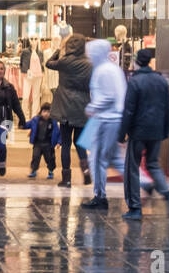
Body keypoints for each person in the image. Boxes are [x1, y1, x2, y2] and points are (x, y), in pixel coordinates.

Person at [118, 48, 169, 220]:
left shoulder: (135, 81)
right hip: (156, 130)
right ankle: (168, 195)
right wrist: (165, 130)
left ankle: (135, 207)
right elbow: (167, 107)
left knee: (132, 168)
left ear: (137, 62)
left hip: (138, 131)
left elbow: (128, 111)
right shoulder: (160, 81)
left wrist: (121, 134)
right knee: (153, 164)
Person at [81, 39, 127, 211]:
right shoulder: (112, 69)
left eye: (90, 53)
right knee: (115, 159)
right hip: (111, 119)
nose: (89, 56)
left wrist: (92, 107)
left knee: (98, 159)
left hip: (106, 120)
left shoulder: (103, 71)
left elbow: (108, 96)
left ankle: (100, 197)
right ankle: (144, 183)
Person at [46, 34, 92, 188]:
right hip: (82, 105)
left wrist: (59, 50)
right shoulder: (89, 64)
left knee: (65, 143)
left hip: (64, 105)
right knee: (79, 142)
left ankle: (66, 179)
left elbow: (48, 63)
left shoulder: (64, 62)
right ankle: (86, 172)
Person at [27, 103, 60, 178]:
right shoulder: (36, 120)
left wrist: (58, 142)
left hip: (48, 144)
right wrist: (22, 125)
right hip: (37, 144)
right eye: (44, 111)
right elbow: (28, 124)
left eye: (48, 112)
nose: (46, 113)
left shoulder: (53, 122)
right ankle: (34, 170)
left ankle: (51, 171)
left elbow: (58, 133)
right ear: (41, 112)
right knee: (35, 157)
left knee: (50, 158)